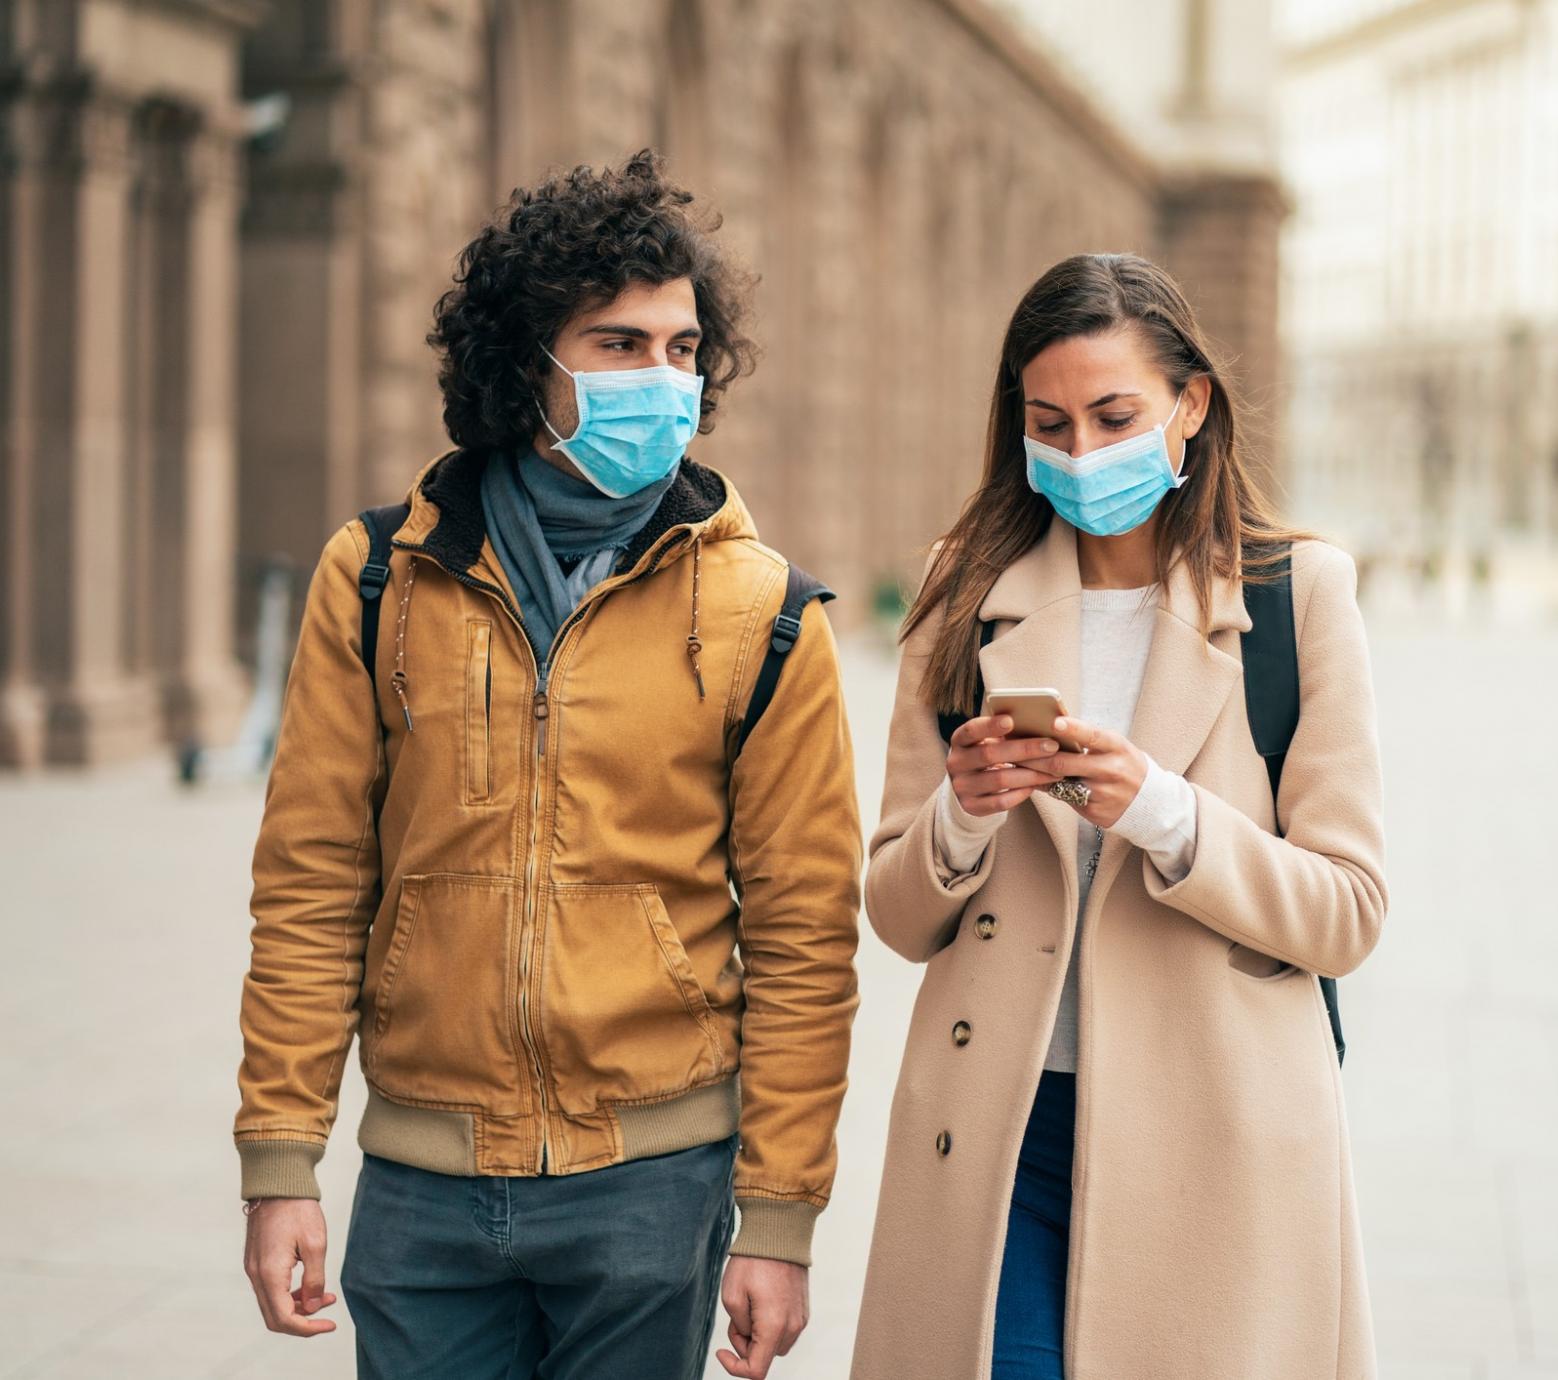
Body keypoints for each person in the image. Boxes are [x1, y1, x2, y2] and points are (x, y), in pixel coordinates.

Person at [232, 152, 862, 1380]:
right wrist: (279, 1162)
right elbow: (309, 884)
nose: (662, 380)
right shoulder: (374, 580)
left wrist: (777, 1221)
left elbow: (803, 936)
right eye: (619, 345)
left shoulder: (767, 612)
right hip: (423, 1186)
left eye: (682, 351)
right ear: (528, 362)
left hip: (652, 1185)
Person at [851, 253, 1387, 1379]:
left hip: (1214, 1143)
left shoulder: (1297, 595)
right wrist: (962, 812)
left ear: (1189, 405)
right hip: (1004, 1135)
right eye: (1049, 423)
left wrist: (1165, 814)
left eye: (1113, 415)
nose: (1081, 455)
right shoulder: (965, 594)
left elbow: (1346, 911)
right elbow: (898, 914)